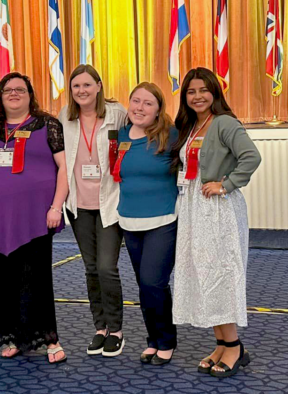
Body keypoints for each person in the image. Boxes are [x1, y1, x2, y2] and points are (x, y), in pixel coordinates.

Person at [171, 67, 261, 378]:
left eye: (203, 90)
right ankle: (221, 343)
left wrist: (226, 184)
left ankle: (235, 346)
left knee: (221, 273)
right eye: (191, 91)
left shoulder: (224, 123)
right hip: (194, 206)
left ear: (215, 92)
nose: (197, 96)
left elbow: (252, 157)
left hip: (218, 209)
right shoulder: (190, 125)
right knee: (202, 273)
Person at [0, 72, 69, 364]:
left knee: (35, 279)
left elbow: (63, 169)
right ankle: (14, 336)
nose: (14, 94)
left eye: (20, 90)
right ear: (0, 97)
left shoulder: (47, 124)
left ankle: (49, 340)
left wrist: (56, 206)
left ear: (30, 95)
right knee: (1, 281)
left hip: (35, 218)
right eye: (7, 90)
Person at [59, 65, 127, 357]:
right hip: (79, 206)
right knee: (90, 269)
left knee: (106, 268)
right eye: (76, 87)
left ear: (99, 86)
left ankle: (117, 329)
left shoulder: (117, 113)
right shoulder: (65, 116)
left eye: (87, 85)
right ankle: (100, 328)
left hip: (110, 203)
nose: (82, 91)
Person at [114, 82, 179, 365]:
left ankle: (166, 340)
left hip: (163, 220)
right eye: (136, 101)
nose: (140, 108)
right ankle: (152, 340)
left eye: (147, 103)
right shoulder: (120, 135)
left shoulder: (171, 135)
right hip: (129, 219)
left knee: (154, 282)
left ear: (158, 110)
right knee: (143, 284)